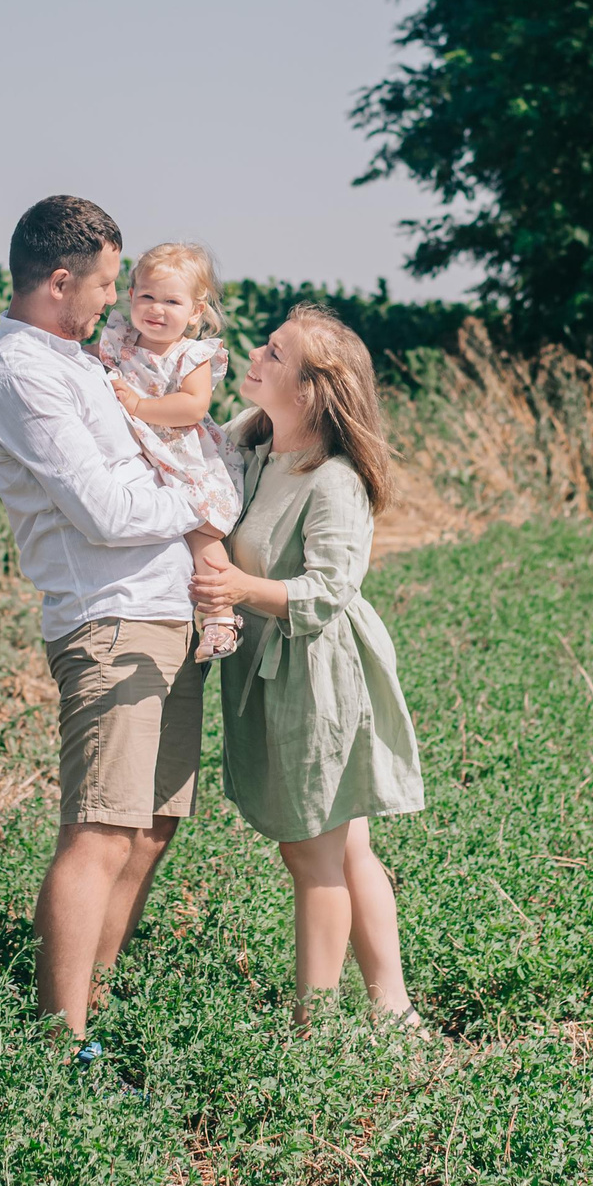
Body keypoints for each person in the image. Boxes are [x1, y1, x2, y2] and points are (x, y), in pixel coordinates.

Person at [0, 195, 207, 1054]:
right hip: (108, 622)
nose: (114, 299)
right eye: (107, 283)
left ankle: (92, 1007)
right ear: (60, 279)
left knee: (149, 826)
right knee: (101, 827)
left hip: (163, 612)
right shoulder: (21, 374)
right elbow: (104, 509)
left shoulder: (74, 359)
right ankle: (60, 1049)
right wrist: (201, 501)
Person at [191, 304, 427, 1028]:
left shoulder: (334, 481)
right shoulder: (256, 445)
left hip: (317, 677)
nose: (256, 355)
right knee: (347, 842)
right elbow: (183, 442)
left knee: (312, 856)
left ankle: (313, 1031)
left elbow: (327, 593)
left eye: (276, 352)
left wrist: (236, 588)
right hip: (276, 672)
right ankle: (395, 1011)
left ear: (311, 391)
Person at [95, 242, 246, 658]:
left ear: (196, 312)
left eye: (171, 301)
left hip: (185, 461)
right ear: (130, 296)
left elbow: (194, 406)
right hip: (144, 458)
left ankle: (220, 617)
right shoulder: (120, 341)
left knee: (201, 536)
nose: (156, 309)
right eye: (147, 296)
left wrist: (141, 407)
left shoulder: (189, 355)